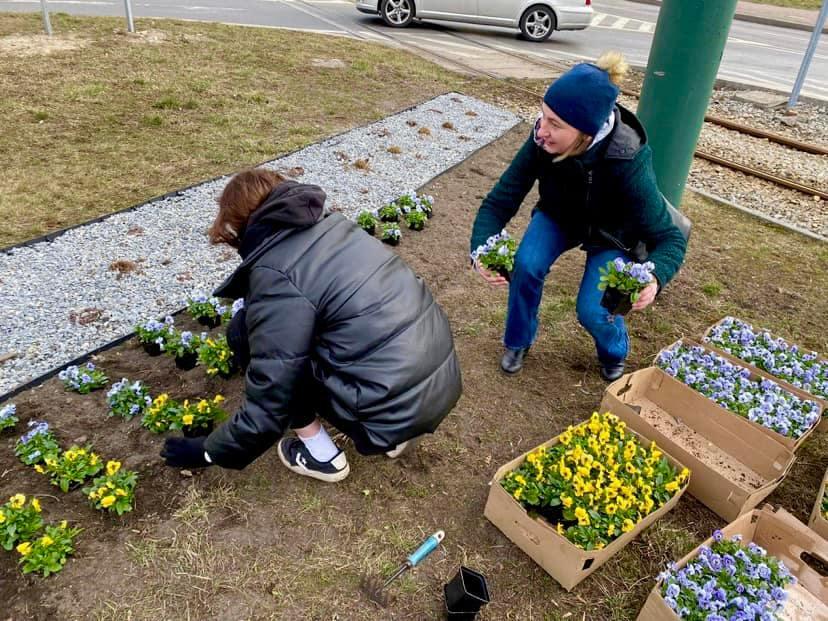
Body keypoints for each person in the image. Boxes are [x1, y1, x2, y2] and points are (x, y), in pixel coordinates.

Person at [161, 169, 462, 481]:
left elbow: (270, 398)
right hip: (440, 379)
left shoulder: (276, 272)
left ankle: (323, 456)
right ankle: (399, 433)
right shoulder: (336, 227)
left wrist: (208, 451)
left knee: (244, 334)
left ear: (238, 222)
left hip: (385, 409)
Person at [470, 51, 687, 380]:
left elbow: (669, 236)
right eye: (543, 116)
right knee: (526, 264)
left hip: (612, 233)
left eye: (555, 124)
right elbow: (500, 200)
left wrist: (656, 278)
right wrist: (481, 251)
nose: (541, 130)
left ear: (587, 132)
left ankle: (613, 350)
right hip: (559, 216)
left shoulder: (628, 160)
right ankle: (518, 341)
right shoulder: (540, 140)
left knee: (592, 311)